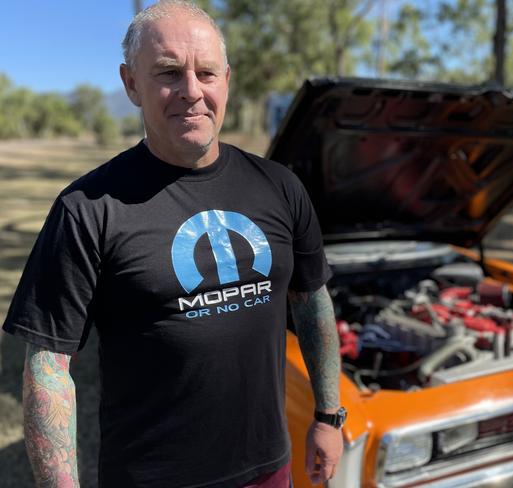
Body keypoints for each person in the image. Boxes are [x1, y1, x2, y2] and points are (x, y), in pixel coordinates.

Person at [1, 1, 344, 487]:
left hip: (269, 469)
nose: (191, 91)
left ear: (227, 79)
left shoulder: (279, 186)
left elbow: (311, 301)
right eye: (167, 72)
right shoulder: (88, 207)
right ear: (131, 84)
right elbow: (49, 366)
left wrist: (328, 415)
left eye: (206, 72)